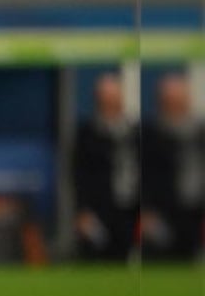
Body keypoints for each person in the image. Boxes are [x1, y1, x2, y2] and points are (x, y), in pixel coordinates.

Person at [72, 73, 138, 261]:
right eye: (105, 98)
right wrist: (82, 211)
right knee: (95, 261)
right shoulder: (86, 134)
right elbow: (78, 176)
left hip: (128, 210)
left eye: (113, 98)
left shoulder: (135, 133)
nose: (110, 103)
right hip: (97, 212)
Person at [141, 73, 204, 260]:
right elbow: (142, 176)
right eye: (169, 101)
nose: (174, 105)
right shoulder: (149, 136)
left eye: (178, 100)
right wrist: (145, 212)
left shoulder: (200, 134)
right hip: (161, 217)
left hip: (196, 215)